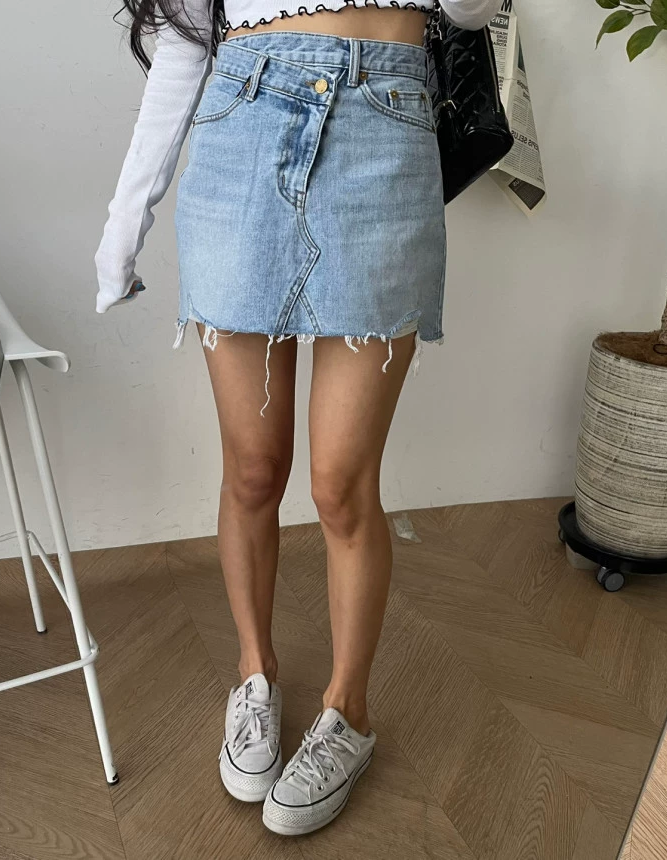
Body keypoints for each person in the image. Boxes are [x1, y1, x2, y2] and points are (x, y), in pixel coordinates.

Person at [95, 0, 501, 836]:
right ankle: (254, 674)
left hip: (385, 126)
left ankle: (348, 713)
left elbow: (472, 10)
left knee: (340, 486)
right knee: (252, 469)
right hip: (242, 123)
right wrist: (122, 226)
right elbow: (184, 47)